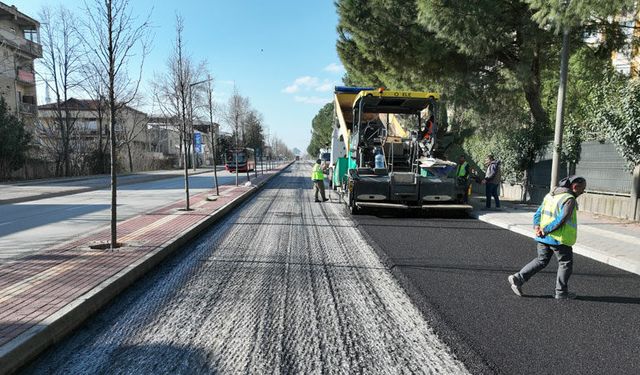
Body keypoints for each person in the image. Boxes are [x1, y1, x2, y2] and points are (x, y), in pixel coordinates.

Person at [508, 176, 587, 300]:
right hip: (559, 239)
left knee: (541, 260)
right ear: (574, 187)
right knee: (565, 263)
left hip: (543, 237)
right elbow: (562, 219)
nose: (583, 192)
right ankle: (561, 292)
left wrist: (537, 227)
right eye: (582, 189)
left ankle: (518, 278)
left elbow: (538, 213)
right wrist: (545, 230)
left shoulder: (549, 196)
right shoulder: (569, 199)